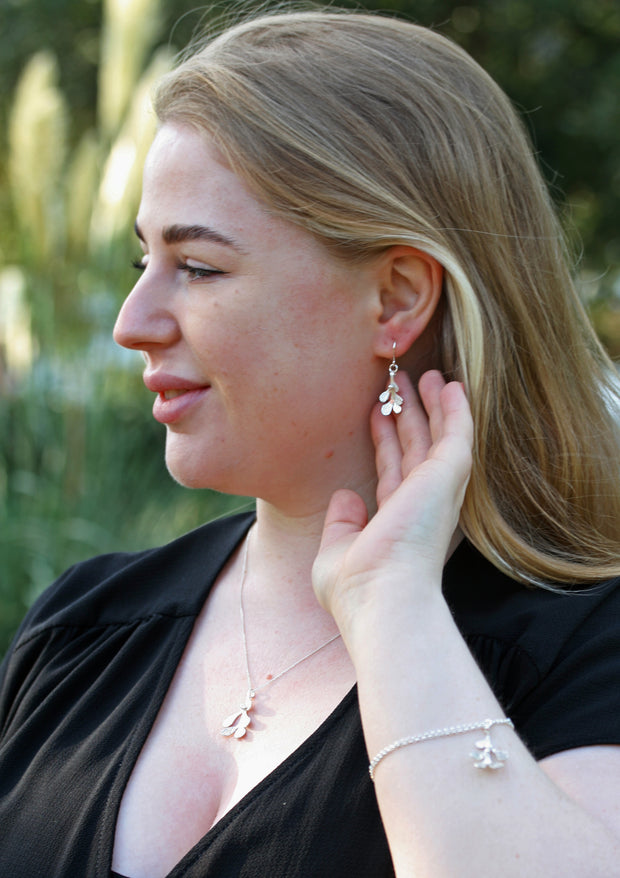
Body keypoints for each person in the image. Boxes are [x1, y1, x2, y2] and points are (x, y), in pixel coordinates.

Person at [1, 8, 620, 877]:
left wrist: (392, 603)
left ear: (398, 298)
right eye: (140, 262)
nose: (132, 324)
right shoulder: (82, 628)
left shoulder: (587, 651)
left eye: (200, 268)